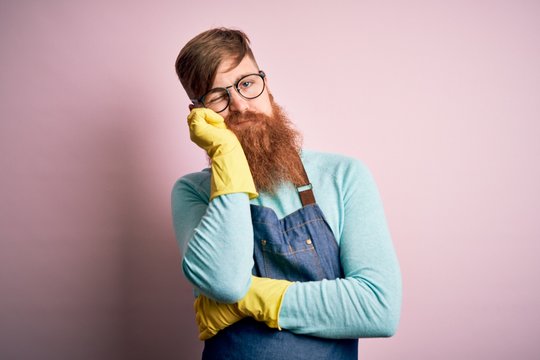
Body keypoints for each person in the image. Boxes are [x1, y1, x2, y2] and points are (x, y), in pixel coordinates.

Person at [171, 27, 402, 360]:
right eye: (217, 97)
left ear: (268, 89)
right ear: (199, 114)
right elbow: (224, 282)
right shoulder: (192, 192)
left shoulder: (342, 176)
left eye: (247, 83)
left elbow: (378, 308)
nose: (239, 104)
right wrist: (226, 152)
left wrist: (245, 300)